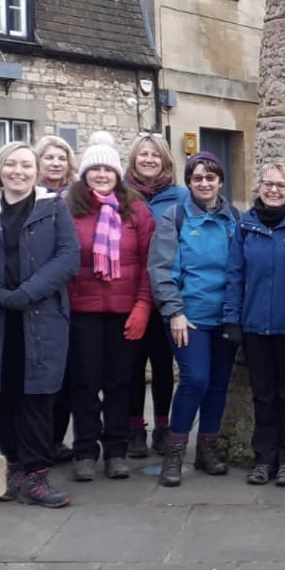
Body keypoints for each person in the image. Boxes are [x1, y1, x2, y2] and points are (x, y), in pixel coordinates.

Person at [0, 141, 79, 508]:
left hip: (40, 316)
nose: (18, 172)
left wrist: (27, 292)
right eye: (11, 164)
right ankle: (14, 469)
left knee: (38, 396)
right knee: (3, 394)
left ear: (37, 171)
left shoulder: (54, 208)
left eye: (26, 165)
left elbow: (68, 257)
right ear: (0, 169)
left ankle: (37, 475)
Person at [148, 152, 241, 487]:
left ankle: (208, 449)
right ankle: (175, 452)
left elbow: (240, 269)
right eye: (197, 178)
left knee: (218, 384)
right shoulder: (175, 218)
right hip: (189, 318)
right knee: (195, 380)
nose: (204, 183)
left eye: (210, 177)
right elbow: (161, 270)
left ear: (220, 181)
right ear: (188, 182)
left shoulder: (234, 219)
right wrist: (174, 312)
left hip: (226, 317)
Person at [66, 139, 155, 482]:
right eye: (94, 169)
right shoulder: (68, 208)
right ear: (85, 174)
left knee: (121, 383)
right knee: (84, 384)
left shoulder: (137, 210)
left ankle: (116, 450)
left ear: (117, 174)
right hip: (82, 311)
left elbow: (150, 262)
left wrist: (143, 306)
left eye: (107, 169)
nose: (101, 175)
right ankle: (85, 450)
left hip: (124, 310)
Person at [223, 163, 285, 487]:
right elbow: (235, 275)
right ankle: (264, 458)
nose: (273, 190)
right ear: (259, 187)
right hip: (254, 327)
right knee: (262, 396)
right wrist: (231, 318)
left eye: (280, 185)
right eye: (268, 184)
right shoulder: (245, 226)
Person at [124, 132, 189, 458]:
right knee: (133, 367)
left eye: (155, 155)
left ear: (165, 161)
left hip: (166, 292)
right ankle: (135, 427)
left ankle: (163, 426)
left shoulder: (179, 197)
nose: (149, 159)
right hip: (128, 295)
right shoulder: (121, 195)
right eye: (143, 154)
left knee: (164, 365)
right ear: (133, 159)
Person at [35, 135, 78, 464]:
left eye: (61, 158)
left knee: (68, 377)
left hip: (77, 297)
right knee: (41, 374)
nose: (55, 163)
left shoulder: (78, 198)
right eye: (48, 157)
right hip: (40, 299)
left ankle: (57, 440)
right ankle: (39, 441)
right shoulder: (30, 198)